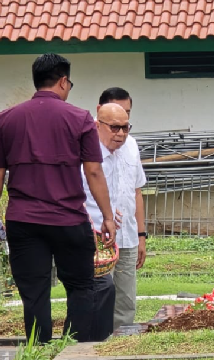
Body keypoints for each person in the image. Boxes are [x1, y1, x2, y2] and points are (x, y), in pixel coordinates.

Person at [0, 53, 117, 343]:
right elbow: (93, 172)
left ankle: (39, 350)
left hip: (24, 221)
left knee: (34, 293)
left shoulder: (7, 119)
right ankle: (75, 349)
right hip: (69, 219)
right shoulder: (80, 118)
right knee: (81, 288)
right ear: (63, 81)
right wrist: (107, 217)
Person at [83, 89, 147, 330]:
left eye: (126, 125)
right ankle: (95, 343)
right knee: (97, 296)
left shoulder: (132, 146)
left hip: (128, 236)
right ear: (99, 119)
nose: (121, 133)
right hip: (96, 238)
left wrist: (141, 235)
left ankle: (122, 345)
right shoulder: (84, 149)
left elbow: (137, 191)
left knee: (126, 300)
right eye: (114, 127)